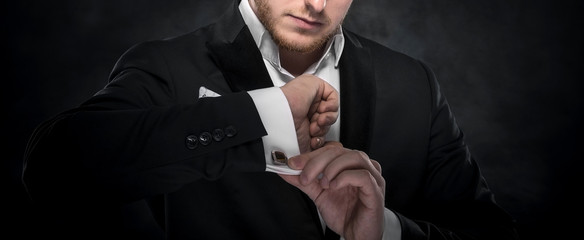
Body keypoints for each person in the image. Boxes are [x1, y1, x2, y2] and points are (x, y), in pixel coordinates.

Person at [22, 0, 519, 239]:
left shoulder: (413, 81)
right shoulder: (168, 64)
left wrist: (385, 232)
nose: (316, 4)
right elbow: (55, 169)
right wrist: (267, 115)